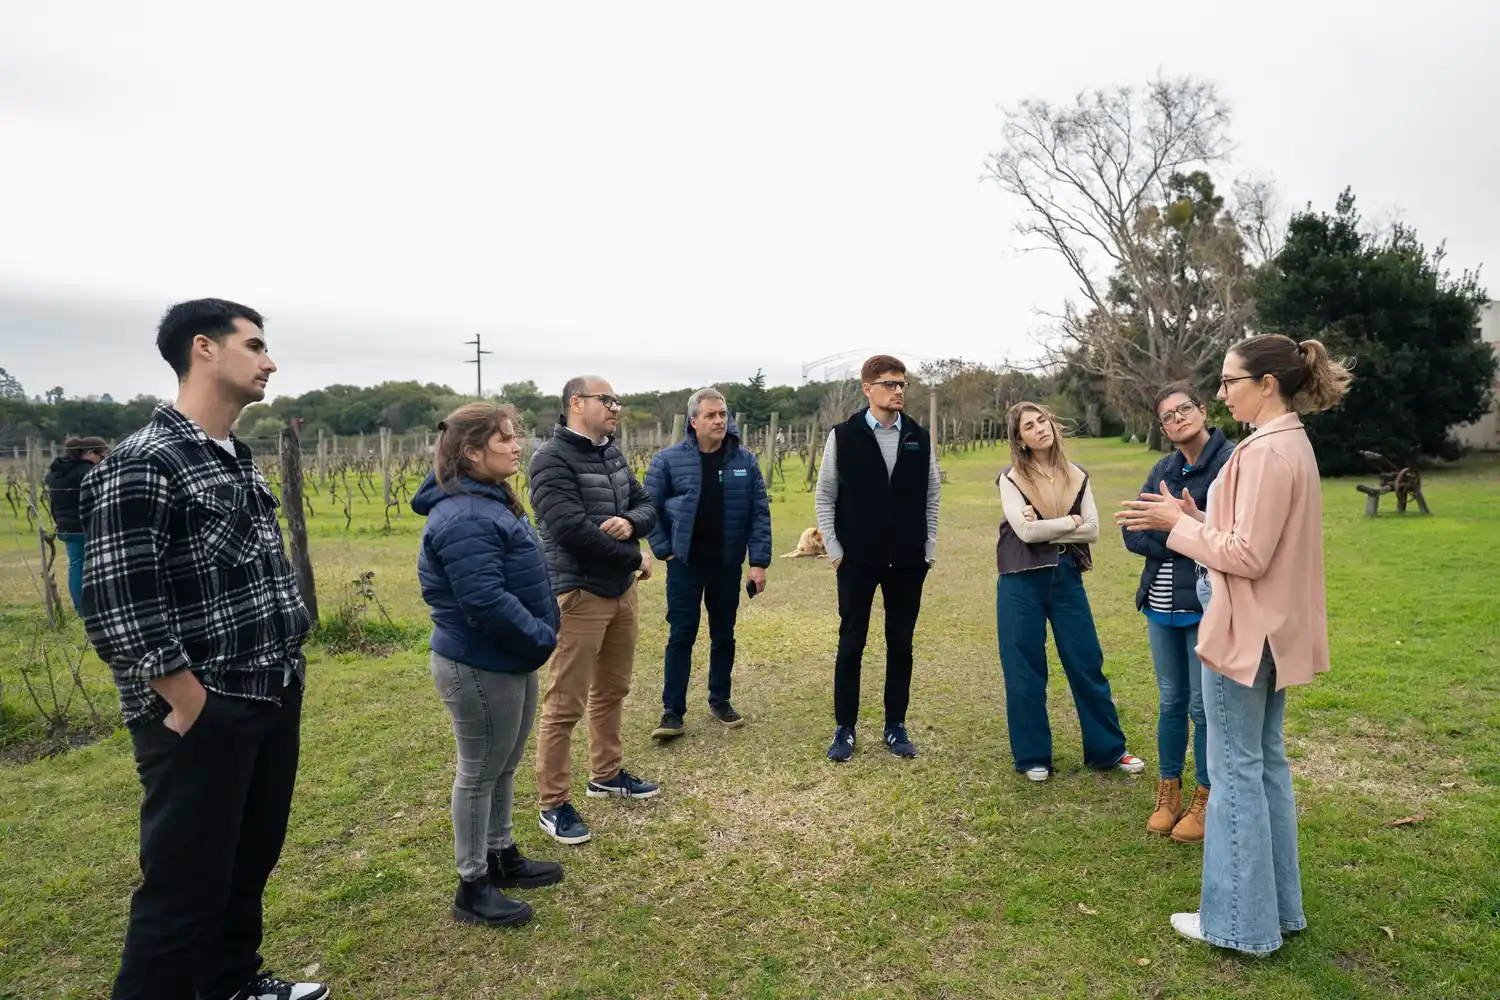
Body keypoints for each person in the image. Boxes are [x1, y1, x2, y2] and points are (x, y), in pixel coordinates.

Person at [81, 299, 325, 1000]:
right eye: (255, 345)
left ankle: (230, 981)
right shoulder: (144, 461)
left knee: (248, 860)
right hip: (204, 709)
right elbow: (117, 602)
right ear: (204, 350)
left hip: (271, 691)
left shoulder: (234, 459)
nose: (270, 361)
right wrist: (188, 698)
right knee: (184, 887)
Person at [1118, 334, 1351, 955]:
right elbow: (1249, 538)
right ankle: (1277, 912)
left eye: (1229, 381)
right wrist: (1193, 520)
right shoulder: (1283, 444)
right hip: (1269, 629)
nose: (1221, 393)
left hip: (1247, 632)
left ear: (1266, 385)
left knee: (1236, 772)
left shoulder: (1268, 451)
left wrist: (1177, 529)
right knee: (1264, 765)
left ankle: (1238, 924)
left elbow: (1247, 556)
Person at [413, 402, 565, 929]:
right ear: (472, 452)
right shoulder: (466, 515)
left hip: (510, 657)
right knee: (478, 772)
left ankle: (501, 854)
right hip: (481, 663)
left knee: (501, 766)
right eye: (505, 439)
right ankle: (472, 884)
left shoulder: (487, 501)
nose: (517, 446)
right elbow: (484, 601)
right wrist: (541, 637)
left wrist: (533, 643)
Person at [529, 375, 660, 846]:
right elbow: (568, 529)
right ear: (576, 403)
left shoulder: (611, 452)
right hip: (579, 593)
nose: (616, 408)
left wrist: (629, 522)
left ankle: (606, 774)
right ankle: (553, 802)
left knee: (612, 689)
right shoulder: (551, 459)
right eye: (607, 400)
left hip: (621, 591)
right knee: (565, 703)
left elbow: (646, 505)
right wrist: (635, 556)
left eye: (617, 400)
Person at [995, 401, 1145, 782]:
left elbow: (1093, 530)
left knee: (1086, 662)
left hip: (1065, 576)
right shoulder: (1011, 478)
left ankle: (1108, 751)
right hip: (1020, 578)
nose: (1039, 428)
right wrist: (1070, 521)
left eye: (1042, 420)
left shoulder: (1077, 475)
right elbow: (1025, 533)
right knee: (1024, 669)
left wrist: (1051, 525)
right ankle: (1032, 757)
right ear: (1021, 440)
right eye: (1029, 426)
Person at [814, 355, 941, 762]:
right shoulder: (844, 435)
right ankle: (844, 728)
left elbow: (932, 496)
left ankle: (895, 726)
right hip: (857, 560)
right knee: (851, 643)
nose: (898, 390)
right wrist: (835, 552)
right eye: (889, 384)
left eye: (902, 383)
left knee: (900, 644)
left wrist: (928, 550)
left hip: (907, 560)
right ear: (867, 389)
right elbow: (826, 494)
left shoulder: (918, 436)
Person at [1122, 384, 1234, 841]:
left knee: (1201, 706)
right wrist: (1183, 534)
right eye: (1167, 416)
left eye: (1184, 409)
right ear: (1163, 428)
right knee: (1170, 701)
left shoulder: (1229, 463)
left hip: (1204, 605)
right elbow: (1133, 532)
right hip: (1159, 605)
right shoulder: (1163, 469)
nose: (1177, 418)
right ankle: (1168, 791)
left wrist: (1177, 527)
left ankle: (1205, 799)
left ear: (1203, 410)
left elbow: (1227, 536)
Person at [643, 387, 772, 740]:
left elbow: (759, 514)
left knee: (723, 636)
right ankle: (673, 711)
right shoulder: (668, 460)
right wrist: (665, 551)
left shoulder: (744, 461)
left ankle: (720, 700)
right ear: (694, 420)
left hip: (726, 566)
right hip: (685, 565)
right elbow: (648, 509)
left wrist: (758, 562)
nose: (719, 421)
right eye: (711, 415)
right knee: (681, 636)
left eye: (723, 414)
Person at [45, 435, 108, 615]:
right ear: (89, 453)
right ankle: (98, 606)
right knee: (98, 566)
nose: (102, 461)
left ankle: (81, 608)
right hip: (87, 525)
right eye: (101, 457)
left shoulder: (56, 471)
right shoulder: (88, 472)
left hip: (65, 526)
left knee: (76, 565)